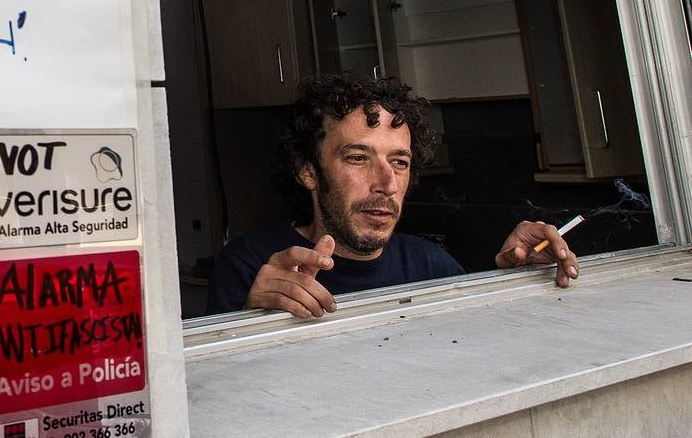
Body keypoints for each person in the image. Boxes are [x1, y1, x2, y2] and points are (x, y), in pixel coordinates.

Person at [207, 72, 581, 317]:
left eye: (399, 162)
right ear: (309, 171)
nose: (385, 183)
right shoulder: (249, 263)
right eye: (357, 157)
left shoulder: (431, 265)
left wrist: (514, 283)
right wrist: (252, 315)